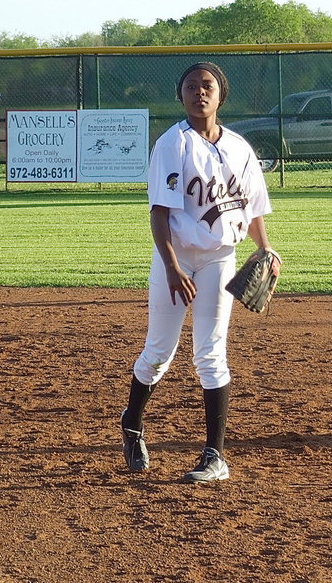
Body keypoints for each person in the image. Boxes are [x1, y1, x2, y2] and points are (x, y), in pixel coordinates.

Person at [120, 61, 274, 484]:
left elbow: (255, 208)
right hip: (176, 257)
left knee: (210, 353)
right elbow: (159, 213)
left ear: (221, 94)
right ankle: (132, 424)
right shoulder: (173, 144)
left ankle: (214, 456)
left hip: (220, 258)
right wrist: (171, 267)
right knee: (158, 353)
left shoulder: (241, 149)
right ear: (180, 96)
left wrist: (267, 250)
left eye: (207, 86)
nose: (199, 92)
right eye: (190, 86)